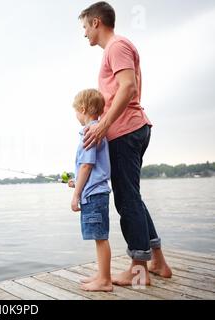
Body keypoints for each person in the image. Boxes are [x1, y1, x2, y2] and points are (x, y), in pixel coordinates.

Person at [78, 1, 172, 285]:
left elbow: (128, 86)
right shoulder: (116, 48)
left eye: (84, 27)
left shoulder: (116, 46)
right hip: (131, 129)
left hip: (125, 131)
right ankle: (157, 262)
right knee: (133, 198)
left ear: (96, 22)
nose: (84, 34)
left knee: (127, 200)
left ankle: (138, 270)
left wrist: (104, 124)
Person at [69, 89, 113, 292]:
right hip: (95, 191)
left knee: (100, 237)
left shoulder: (90, 132)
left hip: (93, 194)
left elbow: (87, 165)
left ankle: (105, 280)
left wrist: (76, 194)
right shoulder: (97, 130)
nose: (76, 116)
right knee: (99, 237)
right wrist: (76, 181)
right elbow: (87, 168)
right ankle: (102, 274)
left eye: (76, 112)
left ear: (83, 109)